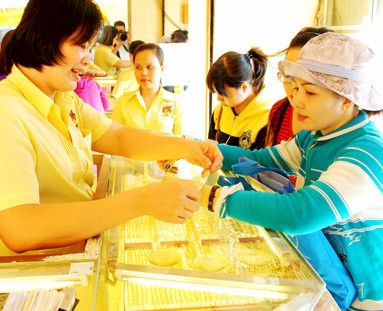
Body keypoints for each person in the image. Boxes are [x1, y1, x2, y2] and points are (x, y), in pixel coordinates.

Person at [0, 0, 223, 256]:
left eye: (91, 48)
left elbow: (117, 136)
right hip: (40, 273)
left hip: (80, 249)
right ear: (44, 37)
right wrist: (142, 200)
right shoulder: (7, 110)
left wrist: (186, 147)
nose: (88, 60)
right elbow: (20, 228)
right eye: (82, 46)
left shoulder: (62, 98)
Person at [199, 32, 383, 311]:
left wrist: (213, 198)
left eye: (310, 92)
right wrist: (202, 149)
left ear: (346, 99)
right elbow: (261, 160)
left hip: (370, 301)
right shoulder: (315, 136)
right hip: (333, 286)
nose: (297, 101)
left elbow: (301, 213)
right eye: (296, 88)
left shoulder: (368, 153)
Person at [263, 26, 334, 147]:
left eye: (304, 78)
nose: (294, 86)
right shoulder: (279, 110)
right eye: (288, 75)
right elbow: (267, 159)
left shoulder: (333, 124)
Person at [111, 43, 183, 135]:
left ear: (162, 69)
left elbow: (182, 141)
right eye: (138, 67)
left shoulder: (175, 102)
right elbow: (114, 137)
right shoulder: (123, 101)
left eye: (150, 67)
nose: (144, 73)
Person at [207, 47, 272, 150]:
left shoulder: (267, 120)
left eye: (223, 94)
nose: (219, 99)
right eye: (216, 93)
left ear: (244, 87)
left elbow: (263, 163)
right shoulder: (219, 112)